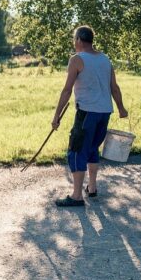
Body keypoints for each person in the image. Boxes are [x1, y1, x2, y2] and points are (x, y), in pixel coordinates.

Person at [52, 26, 128, 207]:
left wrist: (56, 117)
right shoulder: (105, 59)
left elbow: (67, 90)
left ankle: (77, 196)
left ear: (78, 39)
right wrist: (121, 109)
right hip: (105, 112)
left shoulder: (77, 59)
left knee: (77, 151)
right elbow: (114, 88)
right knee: (92, 148)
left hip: (87, 113)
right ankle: (92, 188)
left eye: (74, 39)